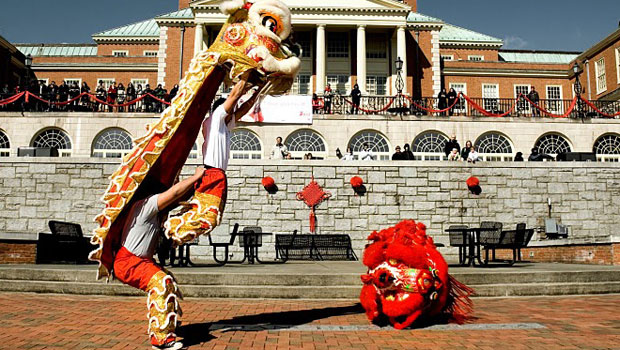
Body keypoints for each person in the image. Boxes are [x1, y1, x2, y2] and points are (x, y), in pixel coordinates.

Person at [113, 167, 205, 350]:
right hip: (129, 262)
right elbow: (175, 192)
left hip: (141, 261)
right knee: (161, 282)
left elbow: (176, 193)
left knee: (168, 282)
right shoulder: (145, 205)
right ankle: (161, 340)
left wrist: (180, 170)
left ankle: (167, 322)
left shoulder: (152, 210)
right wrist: (196, 176)